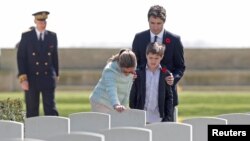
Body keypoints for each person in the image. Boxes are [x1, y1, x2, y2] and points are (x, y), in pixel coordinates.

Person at [132, 5, 185, 121]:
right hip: (142, 97)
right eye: (152, 23)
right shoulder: (139, 38)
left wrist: (173, 79)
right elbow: (135, 64)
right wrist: (135, 73)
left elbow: (180, 67)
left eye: (159, 23)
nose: (155, 27)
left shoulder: (175, 40)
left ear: (164, 22)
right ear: (148, 21)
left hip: (166, 98)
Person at [17, 11, 59, 118]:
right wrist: (23, 78)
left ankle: (54, 132)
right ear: (35, 21)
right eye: (40, 21)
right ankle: (31, 134)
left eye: (44, 21)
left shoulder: (52, 36)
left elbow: (54, 57)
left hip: (47, 77)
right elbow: (21, 58)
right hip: (31, 78)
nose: (42, 24)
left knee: (50, 109)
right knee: (32, 110)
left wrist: (56, 75)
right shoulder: (26, 36)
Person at [130, 42, 173, 123]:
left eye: (156, 58)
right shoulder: (138, 73)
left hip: (158, 118)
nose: (153, 61)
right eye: (151, 57)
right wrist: (134, 112)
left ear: (161, 57)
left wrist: (168, 117)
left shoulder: (165, 74)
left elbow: (169, 98)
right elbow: (133, 95)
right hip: (141, 117)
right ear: (146, 55)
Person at [89, 49, 137, 113]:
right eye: (125, 71)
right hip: (100, 102)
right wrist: (116, 105)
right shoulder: (110, 71)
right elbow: (111, 89)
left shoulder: (132, 72)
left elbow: (127, 91)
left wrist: (124, 106)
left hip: (115, 104)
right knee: (106, 122)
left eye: (130, 71)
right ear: (120, 66)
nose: (127, 74)